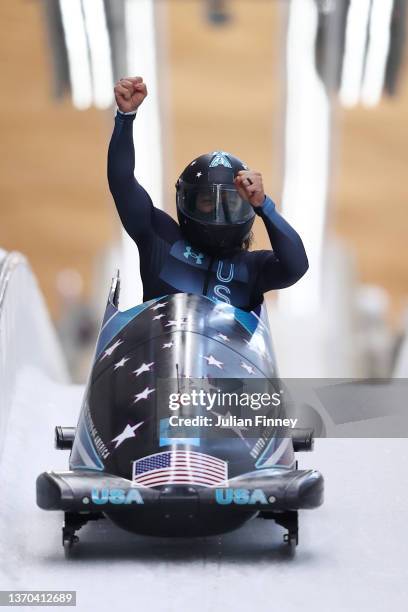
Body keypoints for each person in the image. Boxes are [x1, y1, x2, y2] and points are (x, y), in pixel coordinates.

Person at [108, 76, 308, 313]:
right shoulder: (160, 237)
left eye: (230, 202)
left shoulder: (253, 268)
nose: (218, 212)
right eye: (207, 201)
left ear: (248, 207)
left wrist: (265, 206)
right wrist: (125, 118)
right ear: (187, 202)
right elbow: (122, 182)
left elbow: (296, 266)